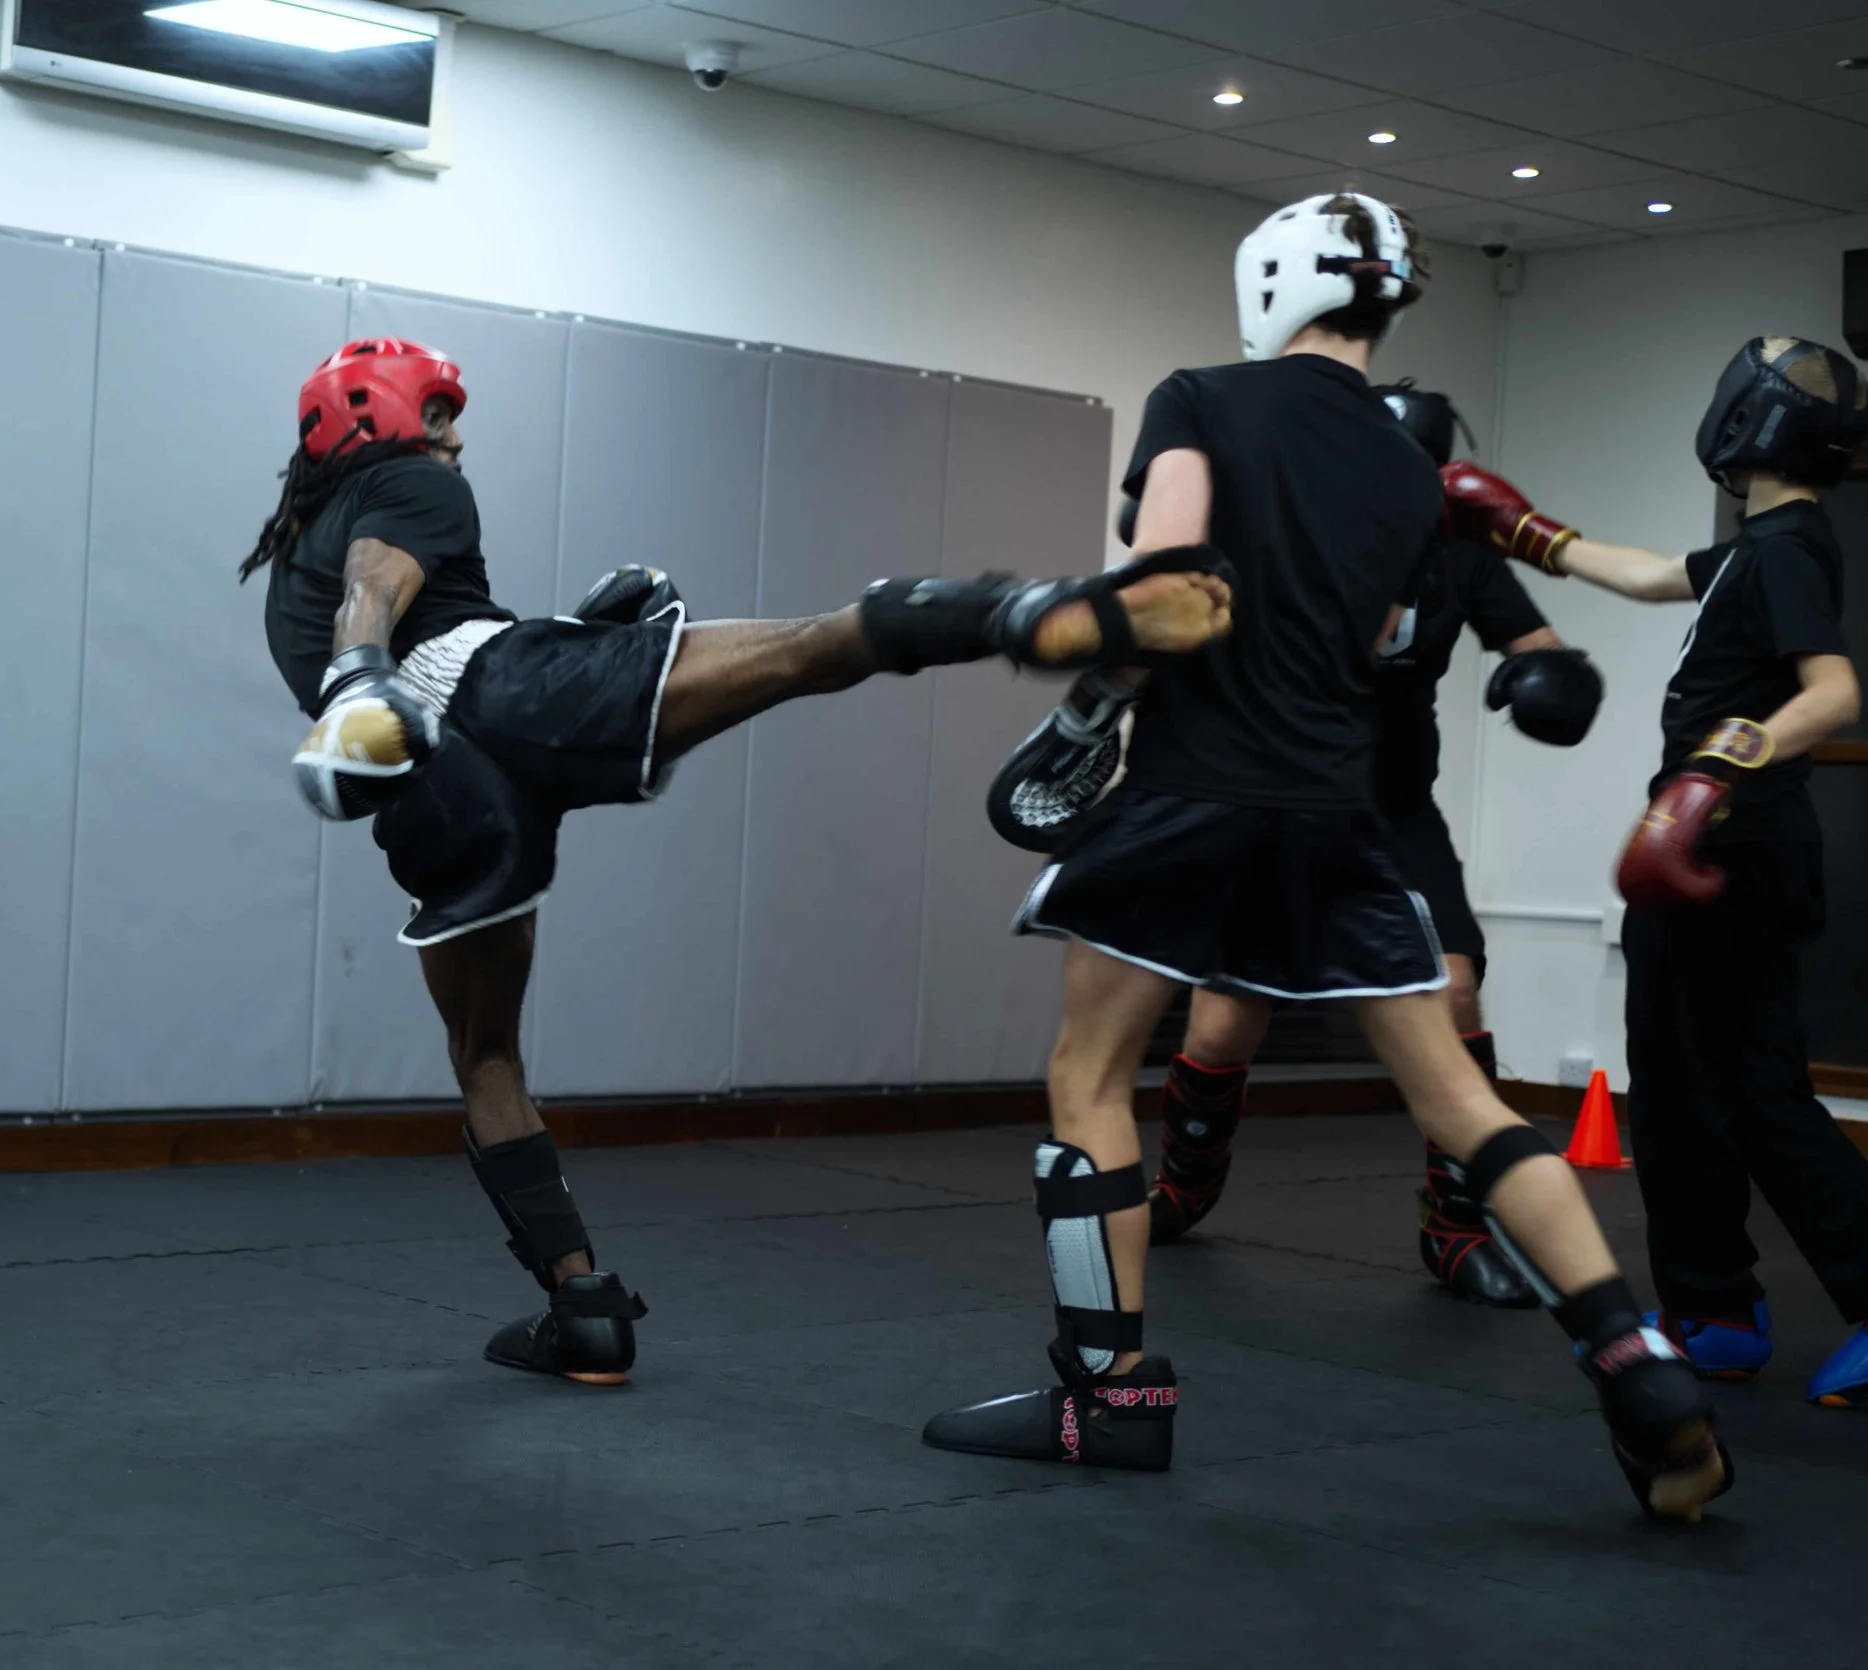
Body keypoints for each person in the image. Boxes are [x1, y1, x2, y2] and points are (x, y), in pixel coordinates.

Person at [922, 193, 1729, 1523]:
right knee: (1463, 1103)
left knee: (1087, 1072)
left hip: (1195, 788)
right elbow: (1369, 648)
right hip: (1341, 805)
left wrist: (1056, 660)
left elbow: (1167, 589)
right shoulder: (1415, 474)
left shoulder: (1202, 397)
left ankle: (1106, 1390)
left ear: (1272, 282)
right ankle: (1636, 1365)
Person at [247, 337, 1233, 1389]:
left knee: (486, 1055)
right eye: (435, 414)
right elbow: (378, 586)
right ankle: (1027, 611)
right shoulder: (404, 486)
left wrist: (369, 679)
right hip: (499, 692)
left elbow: (362, 598)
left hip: (437, 791)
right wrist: (367, 665)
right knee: (811, 646)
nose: (453, 437)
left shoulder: (289, 564)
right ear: (373, 419)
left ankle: (580, 1308)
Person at [1439, 336, 1868, 1410]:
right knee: (1681, 1082)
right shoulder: (1760, 546)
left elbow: (1834, 690)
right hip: (1724, 840)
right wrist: (1528, 532)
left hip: (1733, 841)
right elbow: (1653, 574)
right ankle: (1712, 1312)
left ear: (1742, 422)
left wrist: (1718, 763)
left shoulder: (1790, 549)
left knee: (1742, 1085)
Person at [1142, 384, 1605, 1312]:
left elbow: (1543, 645)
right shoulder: (1288, 538)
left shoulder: (1456, 558)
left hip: (1392, 809)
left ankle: (1455, 1229)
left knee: (1457, 988)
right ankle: (1184, 1190)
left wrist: (1539, 675)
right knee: (1226, 1023)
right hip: (1276, 794)